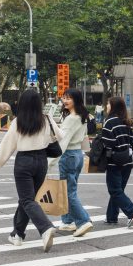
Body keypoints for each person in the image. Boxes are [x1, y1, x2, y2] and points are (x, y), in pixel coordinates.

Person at [0, 89, 62, 251]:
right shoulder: (46, 119)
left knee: (27, 200)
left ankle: (45, 227)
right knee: (27, 199)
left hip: (24, 162)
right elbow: (59, 135)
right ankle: (17, 234)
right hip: (41, 161)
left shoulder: (18, 122)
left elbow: (7, 146)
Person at [101, 95, 133, 227]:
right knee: (118, 190)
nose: (106, 106)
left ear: (113, 106)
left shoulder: (109, 122)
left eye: (108, 104)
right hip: (127, 162)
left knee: (115, 190)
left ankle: (132, 211)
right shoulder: (126, 121)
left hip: (114, 162)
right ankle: (111, 217)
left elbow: (108, 144)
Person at [54, 88, 93, 238]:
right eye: (64, 98)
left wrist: (51, 159)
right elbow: (84, 137)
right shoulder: (82, 116)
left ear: (76, 100)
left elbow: (63, 140)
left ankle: (83, 221)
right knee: (70, 189)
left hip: (69, 154)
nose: (65, 101)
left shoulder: (71, 118)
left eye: (68, 98)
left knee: (68, 192)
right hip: (77, 154)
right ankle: (68, 220)